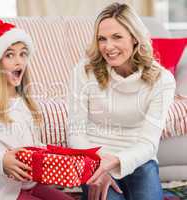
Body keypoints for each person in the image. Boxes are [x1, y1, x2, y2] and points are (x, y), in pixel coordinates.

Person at [67, 3, 175, 200]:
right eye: (102, 39)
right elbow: (76, 133)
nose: (108, 47)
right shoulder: (83, 71)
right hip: (94, 161)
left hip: (139, 161)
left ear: (134, 38)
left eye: (117, 37)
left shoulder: (162, 79)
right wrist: (98, 167)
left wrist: (115, 161)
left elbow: (148, 144)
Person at [0, 19, 74, 200]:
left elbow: (32, 148)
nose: (19, 62)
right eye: (10, 55)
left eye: (23, 54)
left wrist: (52, 156)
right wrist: (2, 162)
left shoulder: (26, 103)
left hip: (31, 185)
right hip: (0, 194)